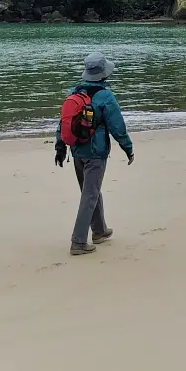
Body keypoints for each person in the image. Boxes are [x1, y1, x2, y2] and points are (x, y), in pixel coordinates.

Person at [54, 52, 134, 256]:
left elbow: (62, 123)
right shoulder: (105, 96)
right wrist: (128, 148)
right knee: (90, 194)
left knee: (90, 190)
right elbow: (118, 127)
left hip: (76, 150)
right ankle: (78, 241)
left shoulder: (74, 92)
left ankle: (99, 230)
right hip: (96, 152)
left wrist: (60, 147)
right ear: (104, 74)